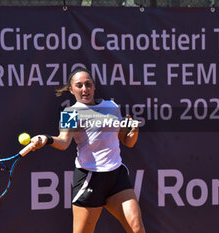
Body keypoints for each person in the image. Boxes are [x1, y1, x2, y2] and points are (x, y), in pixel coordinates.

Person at [30, 67, 146, 233]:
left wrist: (134, 131)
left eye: (88, 84)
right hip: (90, 179)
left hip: (116, 176)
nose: (85, 89)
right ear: (71, 89)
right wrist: (46, 139)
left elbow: (127, 141)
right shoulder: (70, 113)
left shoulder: (111, 106)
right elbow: (63, 142)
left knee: (137, 228)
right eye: (79, 85)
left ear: (94, 86)